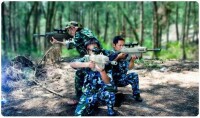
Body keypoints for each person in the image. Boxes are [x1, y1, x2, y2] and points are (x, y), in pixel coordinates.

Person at [50, 21, 102, 105]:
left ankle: (79, 98)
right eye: (68, 30)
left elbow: (71, 44)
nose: (69, 32)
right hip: (98, 56)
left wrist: (58, 42)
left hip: (93, 58)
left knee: (79, 72)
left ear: (74, 28)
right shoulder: (85, 31)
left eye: (69, 29)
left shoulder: (78, 34)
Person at [70, 39, 116, 116]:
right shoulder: (87, 58)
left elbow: (108, 82)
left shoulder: (104, 60)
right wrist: (87, 64)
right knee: (77, 114)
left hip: (103, 92)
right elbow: (72, 64)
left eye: (95, 49)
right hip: (89, 93)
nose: (93, 51)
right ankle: (91, 106)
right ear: (87, 52)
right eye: (90, 50)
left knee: (110, 92)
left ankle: (110, 111)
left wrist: (102, 71)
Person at [110, 36, 143, 102]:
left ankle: (136, 95)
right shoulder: (109, 53)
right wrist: (118, 57)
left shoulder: (125, 54)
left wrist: (132, 60)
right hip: (111, 80)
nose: (122, 47)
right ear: (114, 45)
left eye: (123, 45)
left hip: (122, 79)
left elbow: (129, 68)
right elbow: (108, 65)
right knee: (112, 98)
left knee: (134, 75)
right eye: (120, 45)